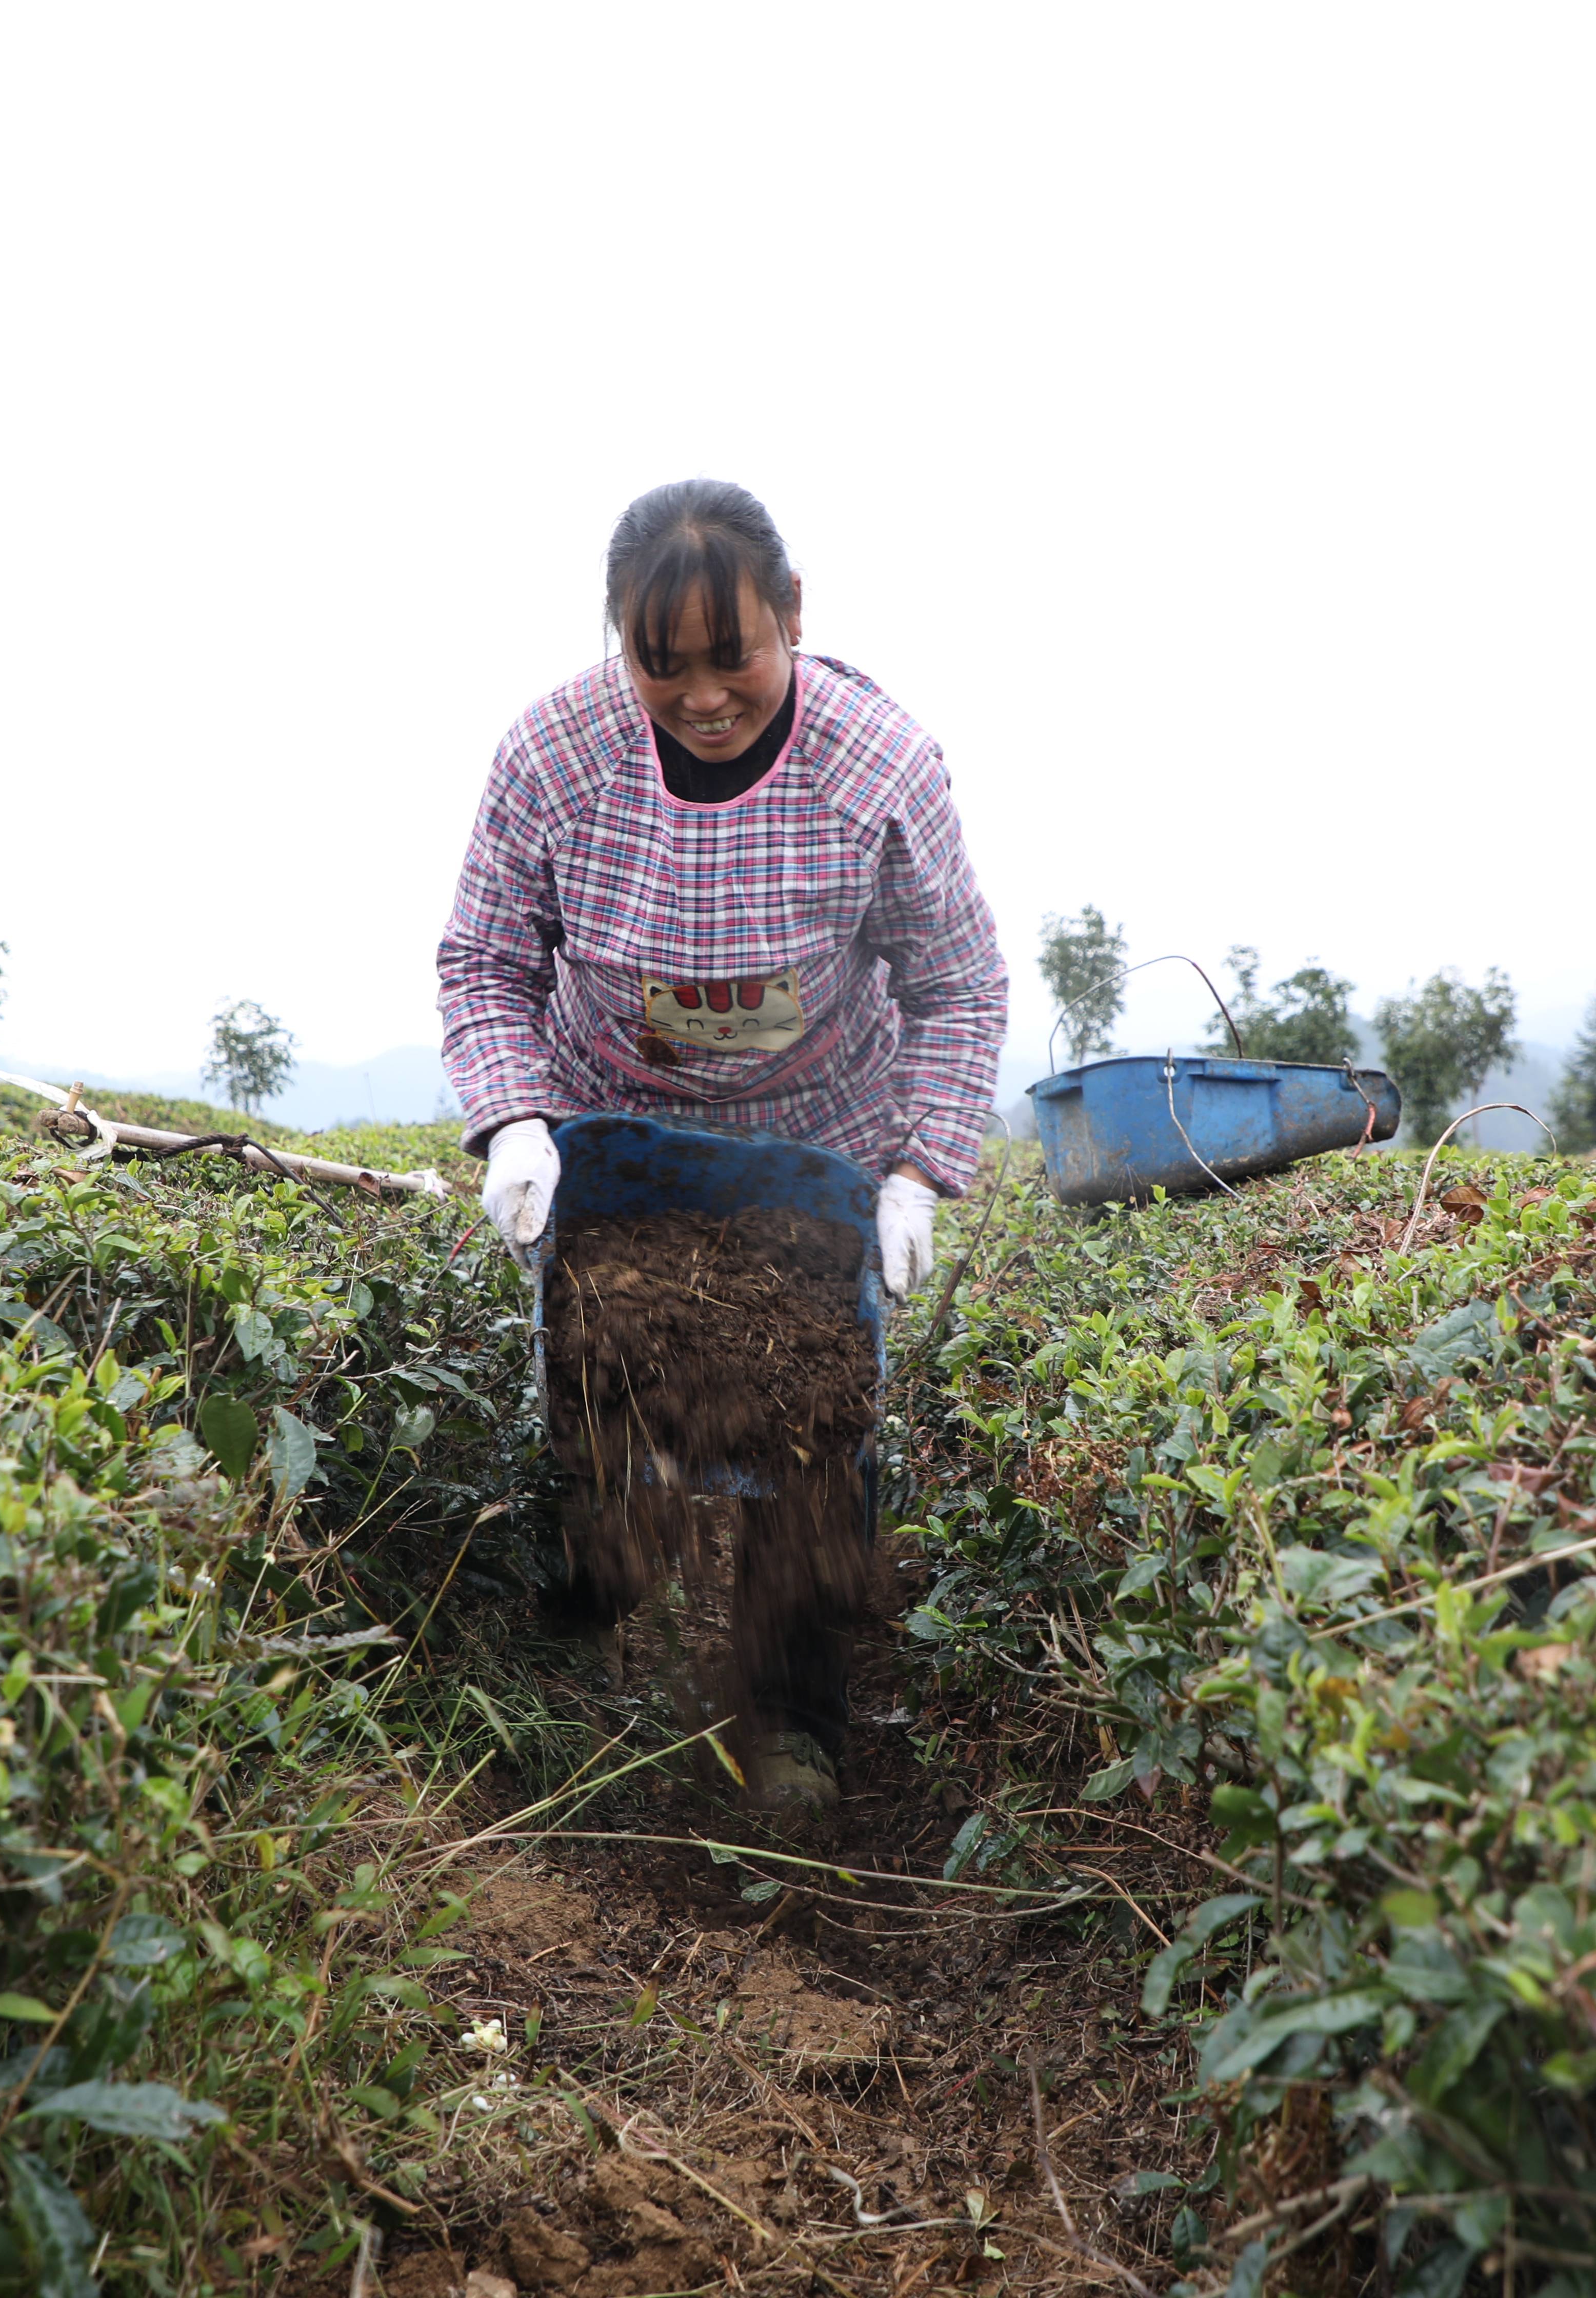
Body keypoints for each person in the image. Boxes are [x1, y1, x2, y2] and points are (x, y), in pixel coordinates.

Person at [437, 478, 1009, 1810]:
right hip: (619, 1139)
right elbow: (484, 960)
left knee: (812, 1439)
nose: (701, 695)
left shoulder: (879, 766)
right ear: (620, 643)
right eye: (662, 662)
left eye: (732, 656)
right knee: (602, 1418)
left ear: (793, 620)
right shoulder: (557, 757)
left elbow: (960, 984)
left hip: (816, 1145)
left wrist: (922, 1168)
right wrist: (517, 1119)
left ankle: (795, 1725)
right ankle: (580, 1686)